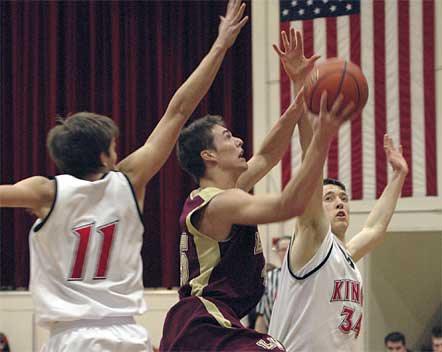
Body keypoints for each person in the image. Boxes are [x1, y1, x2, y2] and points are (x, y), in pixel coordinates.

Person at [0, 1, 249, 350]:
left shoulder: (46, 193)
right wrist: (220, 44)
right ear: (105, 154)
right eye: (114, 146)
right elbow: (178, 110)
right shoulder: (129, 181)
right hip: (127, 336)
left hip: (72, 339)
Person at [159, 26, 355, 352]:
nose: (238, 141)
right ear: (208, 155)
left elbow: (266, 155)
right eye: (226, 137)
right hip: (202, 322)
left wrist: (300, 94)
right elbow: (286, 205)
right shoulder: (219, 203)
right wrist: (320, 139)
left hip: (216, 320)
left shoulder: (231, 189)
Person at [268, 28, 409, 352]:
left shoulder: (344, 254)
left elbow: (374, 228)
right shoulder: (313, 236)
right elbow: (309, 162)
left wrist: (398, 177)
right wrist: (300, 84)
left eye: (344, 198)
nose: (340, 202)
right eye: (329, 198)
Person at [255, 236, 291, 334]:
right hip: (274, 333)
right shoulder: (269, 277)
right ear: (278, 252)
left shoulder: (303, 276)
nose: (286, 252)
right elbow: (261, 313)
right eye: (283, 250)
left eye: (289, 248)